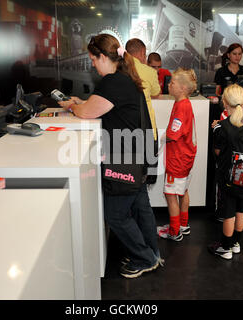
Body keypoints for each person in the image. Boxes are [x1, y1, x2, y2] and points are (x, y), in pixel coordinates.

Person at [58, 34, 162, 278]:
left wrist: (73, 106)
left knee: (115, 214)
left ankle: (145, 257)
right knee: (141, 208)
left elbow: (86, 112)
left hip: (123, 158)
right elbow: (102, 106)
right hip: (137, 155)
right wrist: (82, 103)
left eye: (93, 59)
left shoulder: (113, 82)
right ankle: (153, 254)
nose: (92, 64)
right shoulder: (125, 78)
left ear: (103, 57)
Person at [208, 84, 243, 259]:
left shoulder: (221, 127)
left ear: (224, 102)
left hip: (227, 175)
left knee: (228, 212)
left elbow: (218, 152)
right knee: (241, 210)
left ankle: (225, 248)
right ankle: (235, 243)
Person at [156, 68, 197, 241]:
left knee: (171, 195)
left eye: (172, 82)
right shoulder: (184, 103)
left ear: (181, 88)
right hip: (186, 158)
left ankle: (174, 231)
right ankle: (183, 224)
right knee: (183, 191)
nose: (168, 85)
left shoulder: (181, 107)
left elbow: (173, 134)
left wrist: (161, 137)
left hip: (178, 159)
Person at [125, 39, 161, 141]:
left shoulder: (119, 69)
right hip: (146, 126)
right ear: (142, 52)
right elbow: (156, 93)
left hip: (125, 129)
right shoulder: (150, 72)